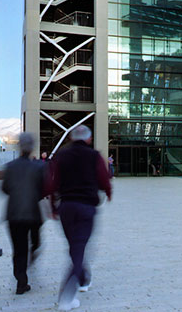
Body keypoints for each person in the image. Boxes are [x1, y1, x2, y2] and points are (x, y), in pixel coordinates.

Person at [48, 125, 111, 311]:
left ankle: (83, 279)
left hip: (66, 207)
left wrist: (53, 206)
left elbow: (52, 183)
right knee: (79, 248)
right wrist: (108, 193)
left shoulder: (61, 156)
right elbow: (104, 178)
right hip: (86, 207)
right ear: (89, 139)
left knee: (75, 246)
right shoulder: (94, 156)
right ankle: (66, 297)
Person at [2, 132, 44, 295]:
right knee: (35, 242)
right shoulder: (38, 167)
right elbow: (43, 189)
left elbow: (5, 188)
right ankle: (31, 256)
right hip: (33, 214)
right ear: (32, 148)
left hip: (14, 214)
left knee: (18, 249)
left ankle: (21, 281)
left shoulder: (10, 167)